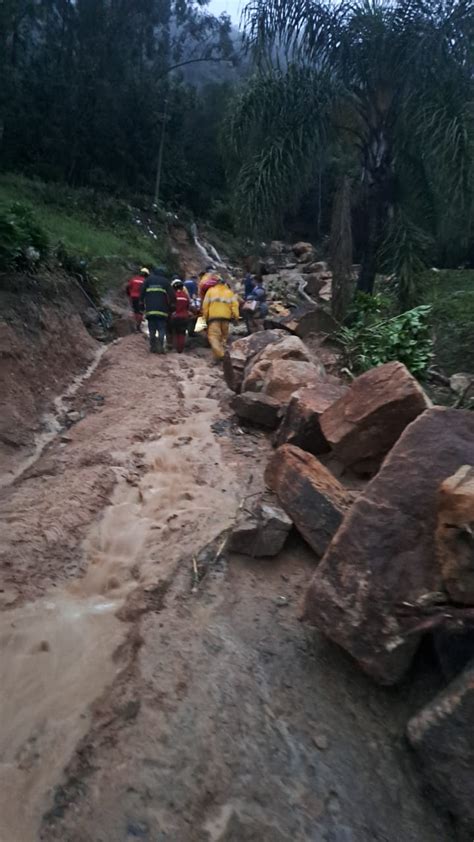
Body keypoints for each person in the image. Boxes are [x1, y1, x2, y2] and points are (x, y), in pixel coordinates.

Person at [202, 275, 239, 361]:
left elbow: (205, 306)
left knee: (213, 337)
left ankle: (222, 355)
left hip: (214, 318)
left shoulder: (211, 291)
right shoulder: (229, 292)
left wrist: (205, 318)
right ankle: (218, 358)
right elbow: (235, 306)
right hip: (226, 318)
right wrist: (236, 317)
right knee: (223, 338)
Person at [140, 267, 174, 354]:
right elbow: (171, 295)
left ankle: (152, 347)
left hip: (150, 310)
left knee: (152, 329)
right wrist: (172, 305)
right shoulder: (165, 281)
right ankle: (160, 347)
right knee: (161, 329)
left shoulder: (148, 280)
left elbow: (142, 292)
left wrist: (141, 303)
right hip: (162, 310)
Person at [169, 279, 190, 353]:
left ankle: (173, 348)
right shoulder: (185, 296)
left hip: (174, 318)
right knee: (182, 334)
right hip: (184, 317)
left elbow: (169, 306)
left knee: (174, 333)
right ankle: (180, 350)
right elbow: (188, 306)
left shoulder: (172, 295)